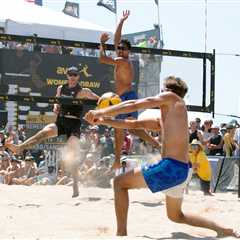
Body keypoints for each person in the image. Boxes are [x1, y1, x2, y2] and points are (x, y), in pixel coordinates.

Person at [84, 76, 239, 237]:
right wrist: (103, 121)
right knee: (176, 216)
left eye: (161, 90)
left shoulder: (172, 97)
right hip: (182, 170)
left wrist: (100, 111)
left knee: (119, 183)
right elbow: (132, 125)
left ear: (166, 91)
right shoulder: (168, 116)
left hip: (171, 167)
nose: (159, 93)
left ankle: (121, 234)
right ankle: (223, 230)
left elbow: (134, 104)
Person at [5, 66, 99, 197]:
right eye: (70, 74)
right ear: (67, 76)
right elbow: (56, 101)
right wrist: (56, 106)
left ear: (78, 76)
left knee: (72, 155)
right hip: (60, 121)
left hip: (74, 124)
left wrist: (101, 112)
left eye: (75, 75)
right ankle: (19, 148)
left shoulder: (83, 91)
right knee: (42, 133)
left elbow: (100, 100)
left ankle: (76, 186)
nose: (72, 77)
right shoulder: (61, 88)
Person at [99, 10, 160, 169]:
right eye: (119, 48)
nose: (120, 50)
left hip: (126, 97)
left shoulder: (124, 61)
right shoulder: (122, 58)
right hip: (125, 97)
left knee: (120, 128)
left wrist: (101, 44)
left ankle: (117, 160)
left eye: (123, 49)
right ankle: (156, 143)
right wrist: (121, 21)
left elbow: (102, 58)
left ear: (129, 51)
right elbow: (118, 39)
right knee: (132, 128)